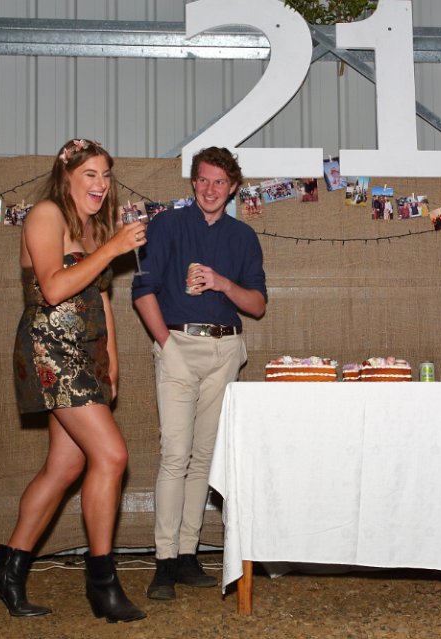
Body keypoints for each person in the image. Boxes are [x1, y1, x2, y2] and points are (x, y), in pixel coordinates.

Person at [0, 139, 147, 622]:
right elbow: (53, 288)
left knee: (64, 467)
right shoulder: (45, 215)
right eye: (90, 174)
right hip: (51, 350)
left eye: (106, 175)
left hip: (86, 351)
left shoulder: (92, 227)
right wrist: (114, 247)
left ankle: (7, 571)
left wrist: (112, 358)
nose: (101, 184)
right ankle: (102, 583)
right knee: (112, 456)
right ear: (67, 176)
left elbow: (100, 294)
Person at [132, 146, 267, 600]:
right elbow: (142, 291)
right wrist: (166, 346)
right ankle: (164, 559)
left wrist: (223, 283)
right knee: (175, 453)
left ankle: (188, 553)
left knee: (204, 457)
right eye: (204, 180)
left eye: (219, 182)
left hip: (225, 349)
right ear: (193, 183)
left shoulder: (243, 237)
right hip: (177, 344)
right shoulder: (166, 225)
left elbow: (257, 305)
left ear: (233, 188)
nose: (210, 189)